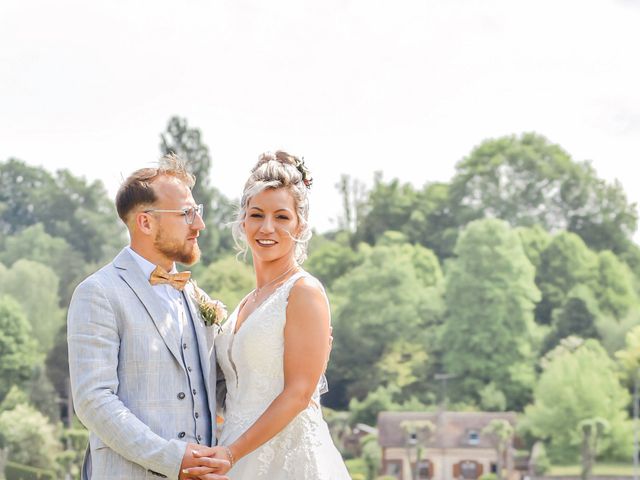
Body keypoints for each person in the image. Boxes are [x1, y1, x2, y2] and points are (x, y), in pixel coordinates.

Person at [183, 151, 351, 479]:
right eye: (257, 214)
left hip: (288, 459)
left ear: (300, 224)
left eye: (282, 217)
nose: (267, 227)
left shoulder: (304, 292)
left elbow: (299, 393)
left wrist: (233, 453)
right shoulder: (246, 303)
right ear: (243, 220)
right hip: (234, 455)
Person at [67, 154, 230, 480]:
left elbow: (222, 385)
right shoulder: (98, 292)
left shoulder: (195, 296)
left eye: (196, 212)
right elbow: (93, 401)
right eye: (187, 214)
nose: (199, 225)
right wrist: (171, 458)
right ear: (145, 222)